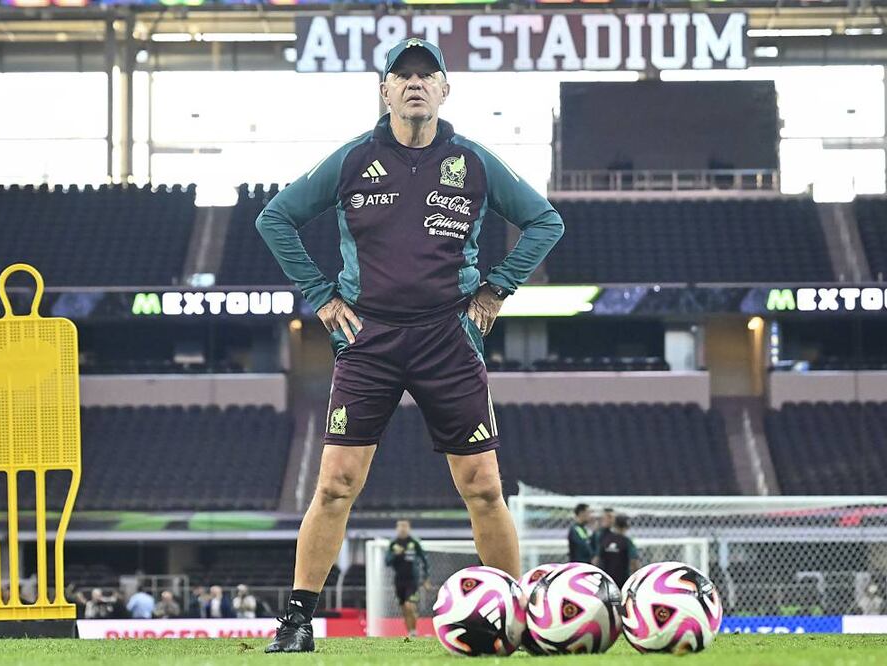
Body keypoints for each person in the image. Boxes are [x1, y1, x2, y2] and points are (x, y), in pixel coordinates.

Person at [257, 37, 563, 654]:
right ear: (385, 90)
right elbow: (275, 218)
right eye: (404, 76)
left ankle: (514, 617)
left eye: (428, 75)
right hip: (367, 340)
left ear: (445, 90)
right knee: (336, 483)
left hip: (449, 339)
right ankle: (296, 622)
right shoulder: (352, 160)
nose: (415, 84)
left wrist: (497, 289)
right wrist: (321, 295)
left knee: (482, 484)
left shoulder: (473, 162)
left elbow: (545, 220)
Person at [384, 520, 431, 638]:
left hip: (412, 580)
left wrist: (426, 578)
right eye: (400, 526)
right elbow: (387, 562)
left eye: (404, 526)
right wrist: (395, 554)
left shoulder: (414, 543)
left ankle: (414, 631)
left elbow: (424, 560)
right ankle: (410, 632)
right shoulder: (393, 544)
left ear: (409, 528)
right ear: (397, 528)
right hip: (399, 580)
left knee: (409, 605)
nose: (402, 528)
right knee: (404, 608)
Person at [596, 514, 640, 588]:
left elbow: (596, 560)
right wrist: (636, 577)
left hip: (606, 580)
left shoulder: (605, 539)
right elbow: (634, 561)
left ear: (614, 525)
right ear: (627, 527)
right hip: (622, 581)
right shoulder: (627, 542)